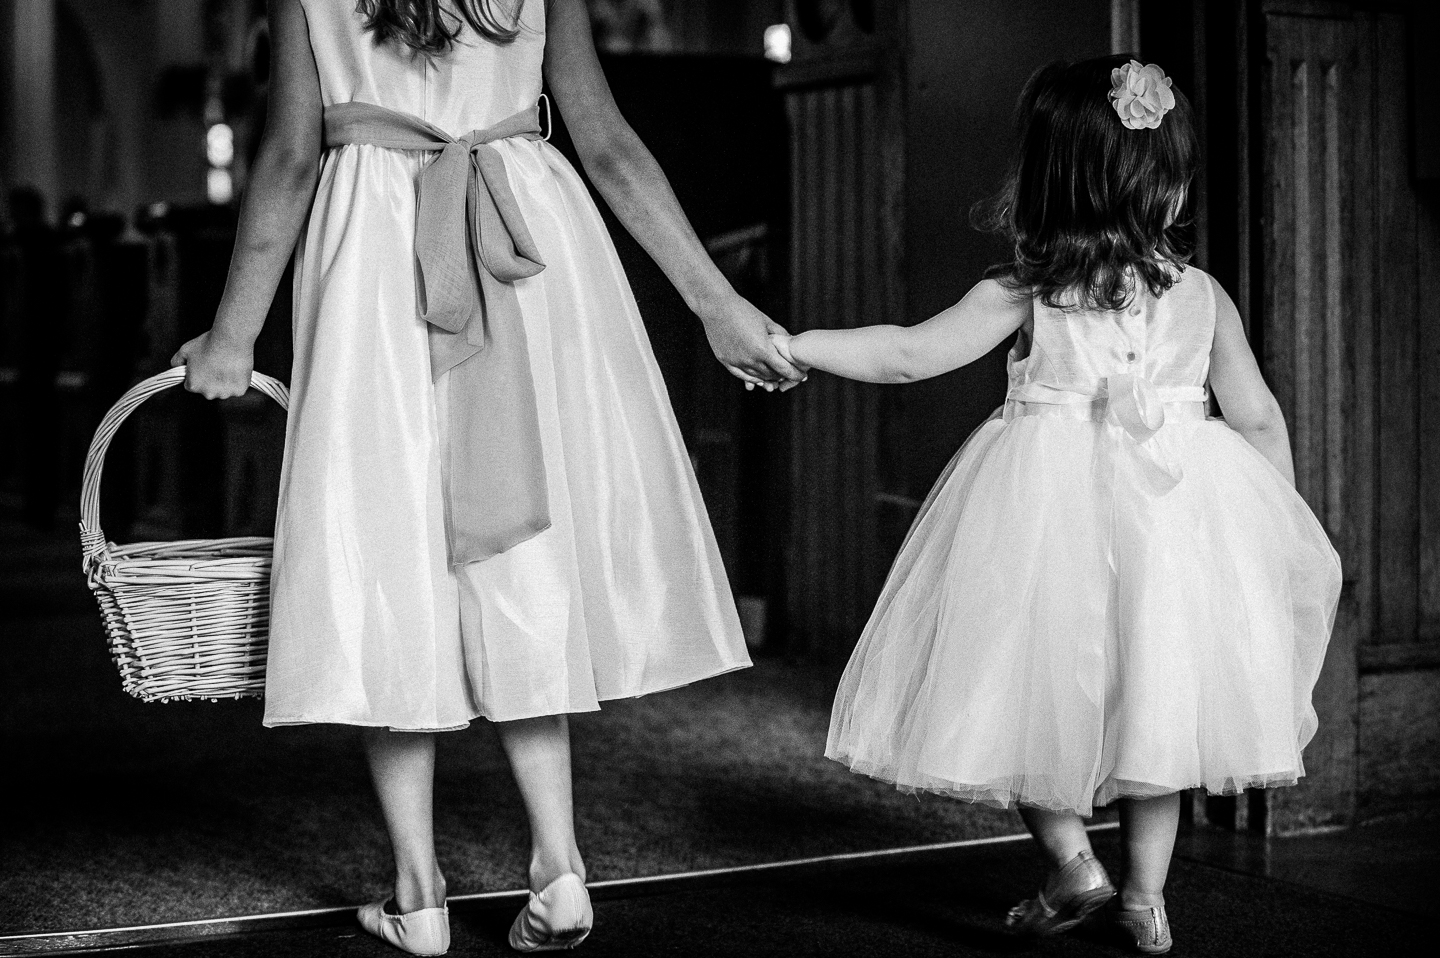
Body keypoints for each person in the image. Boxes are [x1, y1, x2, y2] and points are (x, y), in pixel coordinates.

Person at [171, 1, 803, 953]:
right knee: (522, 540)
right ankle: (559, 866)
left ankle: (419, 896)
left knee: (385, 538)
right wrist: (716, 305)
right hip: (525, 232)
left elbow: (291, 158)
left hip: (373, 250)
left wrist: (232, 333)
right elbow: (609, 143)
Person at [771, 57, 1340, 955]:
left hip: (1043, 524)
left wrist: (798, 344)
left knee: (1025, 685)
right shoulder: (1201, 298)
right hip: (1175, 525)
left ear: (1051, 180)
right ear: (1168, 184)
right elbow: (1260, 417)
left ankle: (1074, 862)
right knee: (1164, 701)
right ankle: (1147, 903)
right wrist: (1272, 534)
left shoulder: (1029, 290)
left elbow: (910, 356)